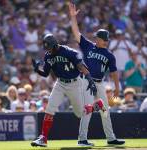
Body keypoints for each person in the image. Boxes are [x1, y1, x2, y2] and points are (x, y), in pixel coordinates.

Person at [30, 33, 103, 147]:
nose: (49, 51)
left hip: (74, 83)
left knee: (80, 113)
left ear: (55, 45)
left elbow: (81, 67)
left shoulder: (69, 52)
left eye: (50, 48)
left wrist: (90, 80)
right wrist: (37, 70)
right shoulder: (48, 55)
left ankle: (95, 106)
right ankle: (43, 138)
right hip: (60, 83)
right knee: (50, 108)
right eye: (47, 49)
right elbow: (45, 73)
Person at [68, 2, 125, 146]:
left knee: (105, 110)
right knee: (88, 109)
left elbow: (114, 72)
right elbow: (76, 33)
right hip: (87, 81)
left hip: (100, 83)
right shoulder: (88, 46)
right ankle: (82, 139)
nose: (106, 42)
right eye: (103, 39)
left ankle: (111, 138)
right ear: (97, 39)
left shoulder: (109, 55)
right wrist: (73, 18)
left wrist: (117, 87)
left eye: (106, 40)